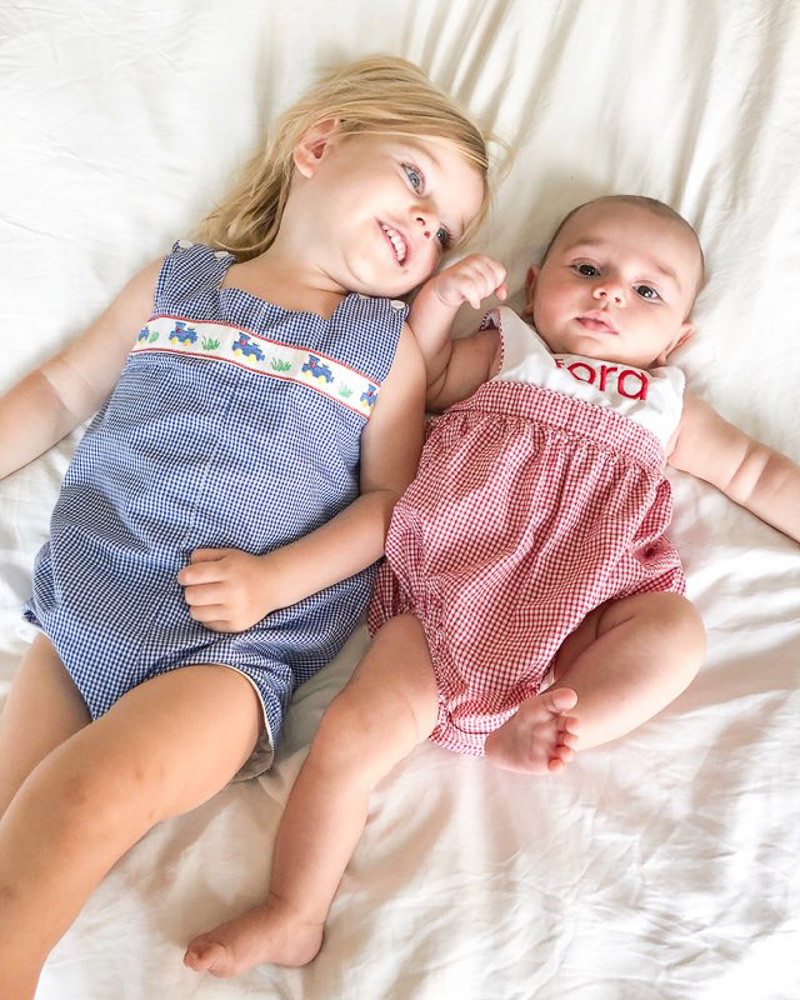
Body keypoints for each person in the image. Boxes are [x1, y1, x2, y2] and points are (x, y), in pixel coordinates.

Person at [183, 194, 800, 977]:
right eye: (588, 269)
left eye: (649, 291)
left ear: (678, 338)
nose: (612, 291)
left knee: (675, 629)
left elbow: (757, 472)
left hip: (585, 608)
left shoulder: (670, 405)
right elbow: (421, 376)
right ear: (536, 285)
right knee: (349, 736)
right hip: (448, 594)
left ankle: (565, 714)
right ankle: (293, 910)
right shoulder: (510, 351)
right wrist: (440, 302)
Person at [0, 55, 493, 997]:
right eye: (416, 179)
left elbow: (389, 506)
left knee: (85, 798)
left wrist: (276, 582)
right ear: (318, 145)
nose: (424, 224)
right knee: (17, 827)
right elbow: (63, 389)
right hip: (89, 604)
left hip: (228, 654)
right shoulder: (179, 282)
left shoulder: (378, 349)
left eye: (446, 229)